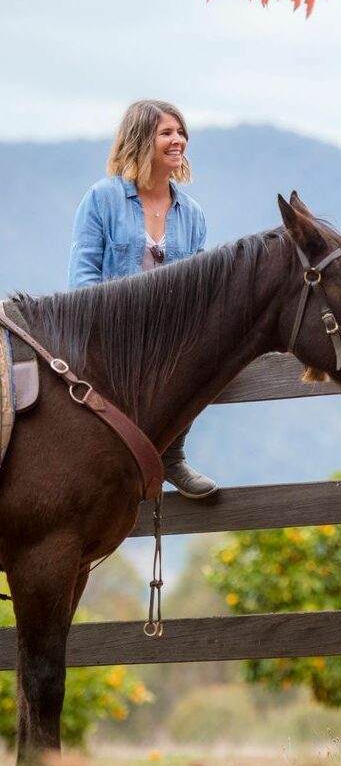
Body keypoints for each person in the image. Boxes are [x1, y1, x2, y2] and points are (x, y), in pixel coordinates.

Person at [68, 99, 217, 499]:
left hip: (169, 337)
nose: (178, 140)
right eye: (166, 133)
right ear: (140, 140)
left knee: (206, 350)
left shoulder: (193, 214)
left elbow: (200, 288)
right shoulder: (103, 198)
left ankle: (171, 456)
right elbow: (82, 276)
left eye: (181, 132)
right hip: (113, 331)